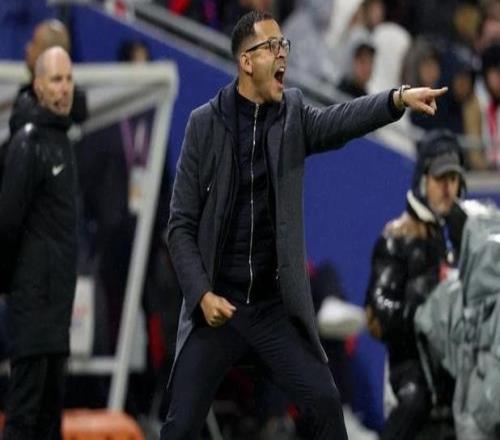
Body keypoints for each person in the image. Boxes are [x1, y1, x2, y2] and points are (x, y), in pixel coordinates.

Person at [163, 10, 447, 439]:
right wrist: (202, 294)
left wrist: (396, 100)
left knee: (326, 405)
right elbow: (180, 226)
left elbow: (342, 120)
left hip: (271, 309)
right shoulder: (204, 124)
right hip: (218, 307)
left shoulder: (292, 115)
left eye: (285, 45)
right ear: (246, 61)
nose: (283, 54)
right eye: (272, 47)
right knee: (180, 425)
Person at [365, 129, 468, 440]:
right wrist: (421, 313)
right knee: (415, 400)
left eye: (454, 179)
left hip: (455, 368)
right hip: (410, 368)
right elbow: (375, 316)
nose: (448, 188)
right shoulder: (397, 237)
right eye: (440, 178)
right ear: (422, 181)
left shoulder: (463, 242)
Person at [0, 47, 77, 439]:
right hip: (33, 306)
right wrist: (10, 287)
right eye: (55, 80)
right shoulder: (28, 143)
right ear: (38, 85)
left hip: (57, 307)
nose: (64, 88)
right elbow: (6, 223)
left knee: (48, 420)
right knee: (24, 417)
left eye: (69, 79)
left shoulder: (61, 139)